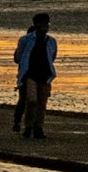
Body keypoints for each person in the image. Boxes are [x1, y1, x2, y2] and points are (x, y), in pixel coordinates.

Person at [11, 9, 58, 138]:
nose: (45, 27)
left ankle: (39, 128)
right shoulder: (25, 40)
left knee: (42, 103)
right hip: (29, 75)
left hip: (45, 75)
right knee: (31, 100)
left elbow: (52, 57)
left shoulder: (51, 41)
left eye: (47, 24)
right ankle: (28, 126)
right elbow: (19, 57)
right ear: (36, 25)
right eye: (43, 24)